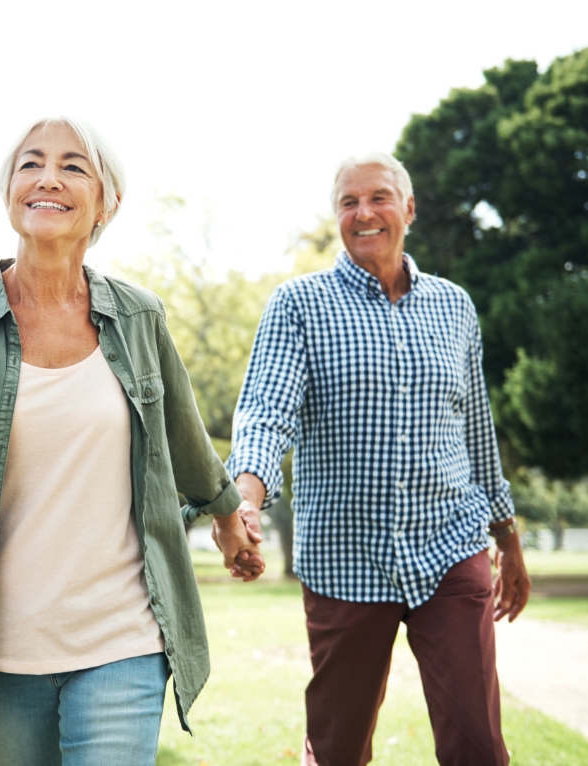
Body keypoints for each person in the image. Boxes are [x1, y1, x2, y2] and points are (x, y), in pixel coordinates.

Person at [0, 116, 264, 766]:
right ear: (9, 191)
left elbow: (184, 439)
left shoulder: (139, 319)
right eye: (31, 163)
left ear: (107, 202)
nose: (48, 178)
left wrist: (226, 515)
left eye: (73, 166)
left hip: (123, 640)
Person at [222, 152, 531, 766]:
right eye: (349, 202)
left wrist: (508, 537)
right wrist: (245, 501)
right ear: (337, 216)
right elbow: (265, 414)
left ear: (408, 209)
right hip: (345, 558)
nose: (364, 213)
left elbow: (476, 431)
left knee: (478, 742)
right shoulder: (299, 304)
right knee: (339, 747)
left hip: (451, 545)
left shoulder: (454, 306)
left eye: (379, 198)